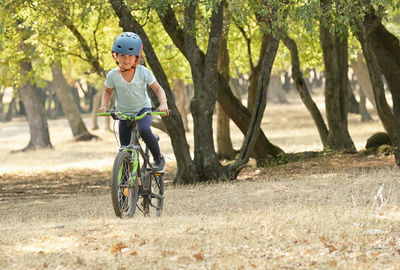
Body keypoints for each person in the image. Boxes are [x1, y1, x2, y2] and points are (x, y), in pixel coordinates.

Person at [98, 32, 168, 173]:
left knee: (144, 130)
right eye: (122, 55)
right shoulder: (112, 75)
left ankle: (159, 159)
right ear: (115, 56)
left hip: (143, 109)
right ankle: (122, 191)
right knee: (124, 148)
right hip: (124, 113)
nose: (126, 59)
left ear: (137, 57)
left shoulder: (143, 72)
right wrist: (104, 106)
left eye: (130, 56)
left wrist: (163, 103)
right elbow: (107, 92)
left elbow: (158, 89)